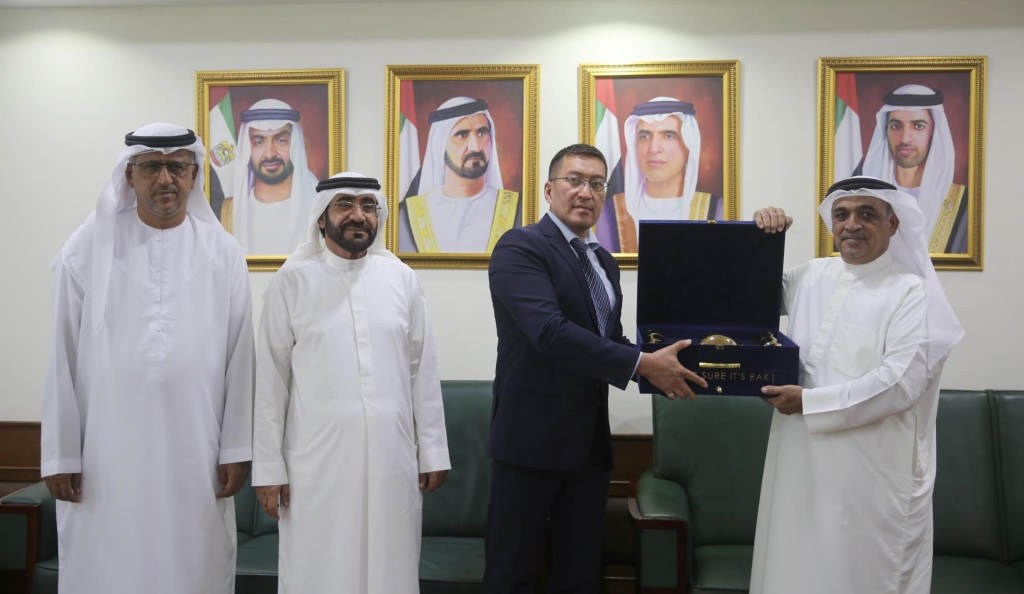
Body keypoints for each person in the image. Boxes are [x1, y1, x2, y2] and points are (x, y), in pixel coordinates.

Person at [483, 143, 707, 593]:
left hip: (588, 446)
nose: (586, 192)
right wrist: (642, 363)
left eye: (597, 183)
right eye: (574, 180)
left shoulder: (603, 261)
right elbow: (548, 331)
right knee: (511, 573)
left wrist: (668, 362)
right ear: (549, 190)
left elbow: (609, 340)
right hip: (529, 443)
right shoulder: (521, 246)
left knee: (580, 573)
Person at [41, 123, 254, 593]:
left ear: (194, 175)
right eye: (151, 167)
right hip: (105, 453)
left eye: (177, 167)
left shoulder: (223, 252)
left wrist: (237, 449)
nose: (165, 179)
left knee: (193, 562)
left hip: (197, 448)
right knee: (108, 563)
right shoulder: (84, 249)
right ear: (128, 175)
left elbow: (241, 358)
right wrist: (60, 453)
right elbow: (62, 355)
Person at [748, 176, 965, 594]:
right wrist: (761, 239)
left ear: (892, 224)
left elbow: (900, 384)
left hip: (870, 475)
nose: (852, 224)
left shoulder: (911, 291)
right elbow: (742, 297)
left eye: (867, 214)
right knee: (793, 568)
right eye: (841, 214)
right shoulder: (811, 275)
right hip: (798, 458)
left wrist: (809, 403)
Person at [252, 172, 451, 593]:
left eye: (367, 206)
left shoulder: (401, 279)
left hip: (392, 459)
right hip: (316, 465)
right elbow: (271, 380)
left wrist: (433, 451)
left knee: (389, 567)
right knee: (318, 568)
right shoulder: (291, 281)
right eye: (344, 204)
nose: (358, 215)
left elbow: (422, 369)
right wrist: (269, 469)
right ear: (321, 218)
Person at [599, 96, 722, 252]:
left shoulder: (716, 209)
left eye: (668, 136)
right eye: (644, 137)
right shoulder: (608, 213)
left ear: (689, 146)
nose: (654, 148)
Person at [398, 96, 520, 253]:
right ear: (440, 145)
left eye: (482, 133)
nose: (475, 147)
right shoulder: (405, 216)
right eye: (462, 135)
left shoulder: (518, 210)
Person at [858, 84, 968, 253]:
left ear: (934, 133)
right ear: (885, 130)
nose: (904, 138)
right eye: (896, 126)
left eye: (918, 126)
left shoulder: (964, 204)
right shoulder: (862, 198)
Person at [224, 98, 320, 255]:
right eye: (258, 142)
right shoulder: (229, 211)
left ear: (294, 145)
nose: (269, 154)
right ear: (247, 149)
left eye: (281, 140)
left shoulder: (318, 206)